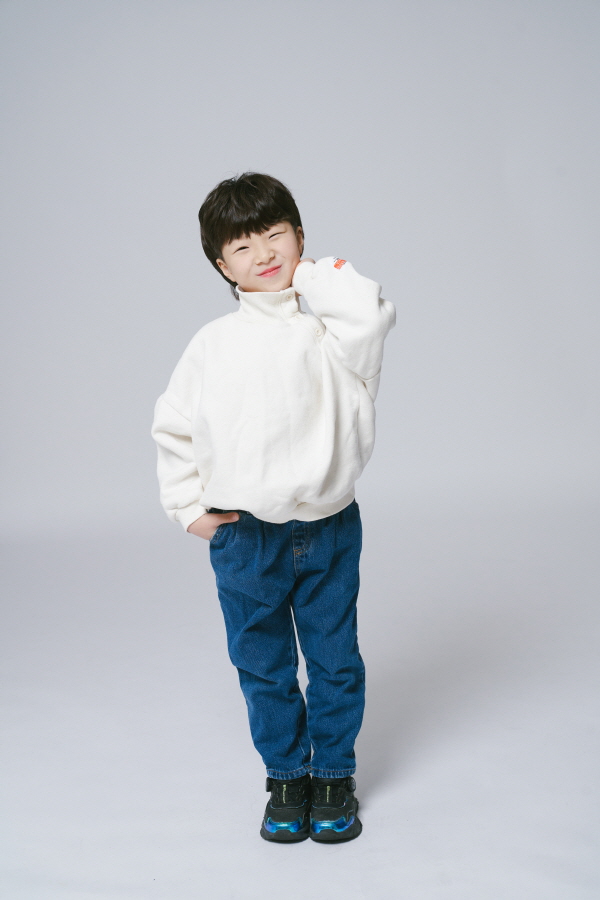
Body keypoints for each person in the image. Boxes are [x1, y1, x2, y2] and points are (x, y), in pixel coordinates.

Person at [151, 172, 396, 843]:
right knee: (263, 664)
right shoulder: (212, 345)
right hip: (246, 536)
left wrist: (312, 276)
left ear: (300, 238)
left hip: (328, 527)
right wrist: (188, 508)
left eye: (275, 234)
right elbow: (174, 427)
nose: (263, 252)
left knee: (335, 659)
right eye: (242, 246)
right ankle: (287, 775)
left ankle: (333, 773)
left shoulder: (334, 335)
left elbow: (370, 312)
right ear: (221, 266)